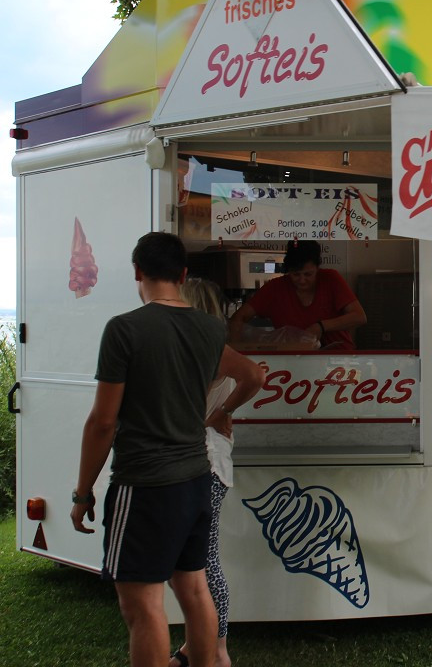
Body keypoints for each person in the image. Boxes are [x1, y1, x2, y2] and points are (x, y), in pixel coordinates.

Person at [70, 232, 263, 667]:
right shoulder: (211, 329)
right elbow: (250, 374)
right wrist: (220, 414)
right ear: (183, 274)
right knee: (194, 589)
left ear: (137, 271)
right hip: (196, 479)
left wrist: (83, 493)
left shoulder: (124, 329)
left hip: (144, 485)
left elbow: (103, 422)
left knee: (143, 606)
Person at [167, 278, 255, 667]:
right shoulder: (206, 346)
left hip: (203, 463)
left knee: (200, 564)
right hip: (204, 462)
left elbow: (254, 376)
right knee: (193, 564)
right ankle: (200, 648)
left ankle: (216, 651)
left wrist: (220, 413)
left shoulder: (204, 349)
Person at [229, 240, 367, 349]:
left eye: (308, 274)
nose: (302, 280)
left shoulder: (330, 279)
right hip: (292, 362)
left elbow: (359, 317)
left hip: (337, 360)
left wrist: (321, 326)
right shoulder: (275, 288)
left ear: (317, 268)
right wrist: (236, 352)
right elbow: (239, 317)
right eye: (295, 275)